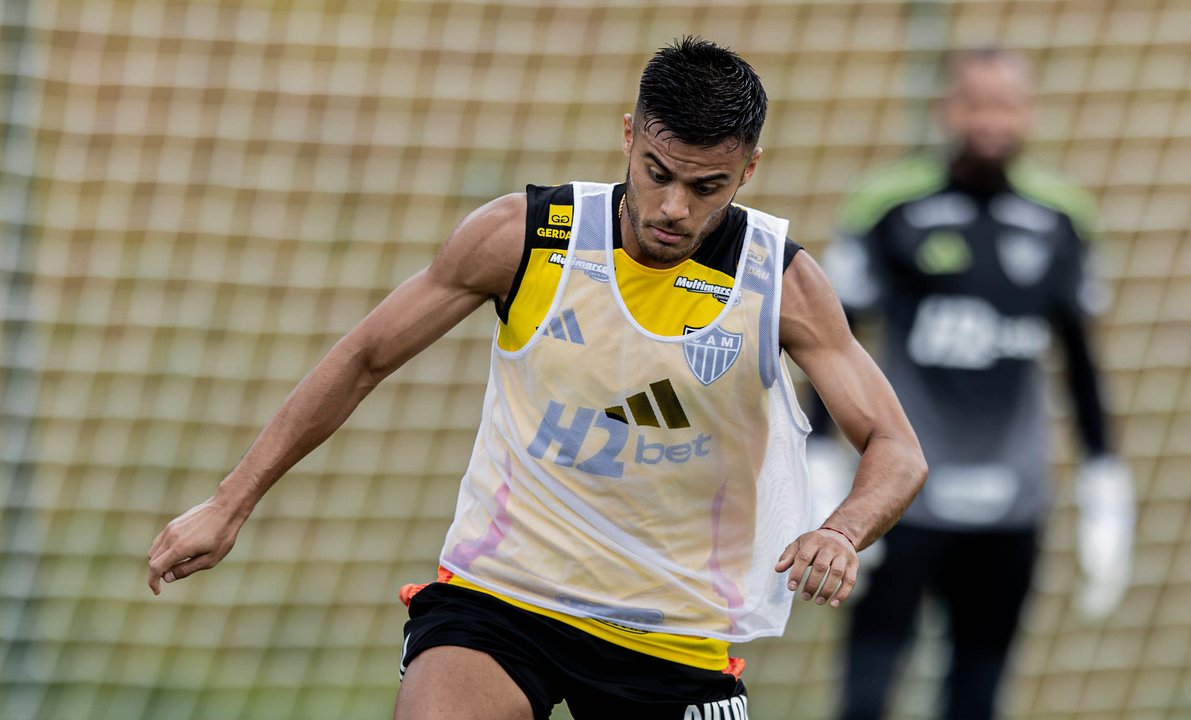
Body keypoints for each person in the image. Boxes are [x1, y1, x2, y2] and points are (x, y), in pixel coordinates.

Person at [147, 37, 927, 720]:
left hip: (675, 628)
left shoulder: (778, 283)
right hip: (501, 597)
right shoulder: (529, 237)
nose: (672, 208)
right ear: (627, 136)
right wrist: (229, 502)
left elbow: (896, 446)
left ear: (749, 169)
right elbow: (363, 358)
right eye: (656, 173)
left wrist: (839, 530)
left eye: (706, 187)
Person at [808, 47, 1135, 720]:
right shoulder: (888, 207)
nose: (993, 119)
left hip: (1013, 505)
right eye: (977, 102)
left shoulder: (1064, 218)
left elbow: (1080, 362)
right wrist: (824, 472)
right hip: (903, 498)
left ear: (1030, 111)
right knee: (866, 688)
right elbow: (832, 346)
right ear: (948, 109)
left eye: (1007, 103)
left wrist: (1106, 483)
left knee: (980, 692)